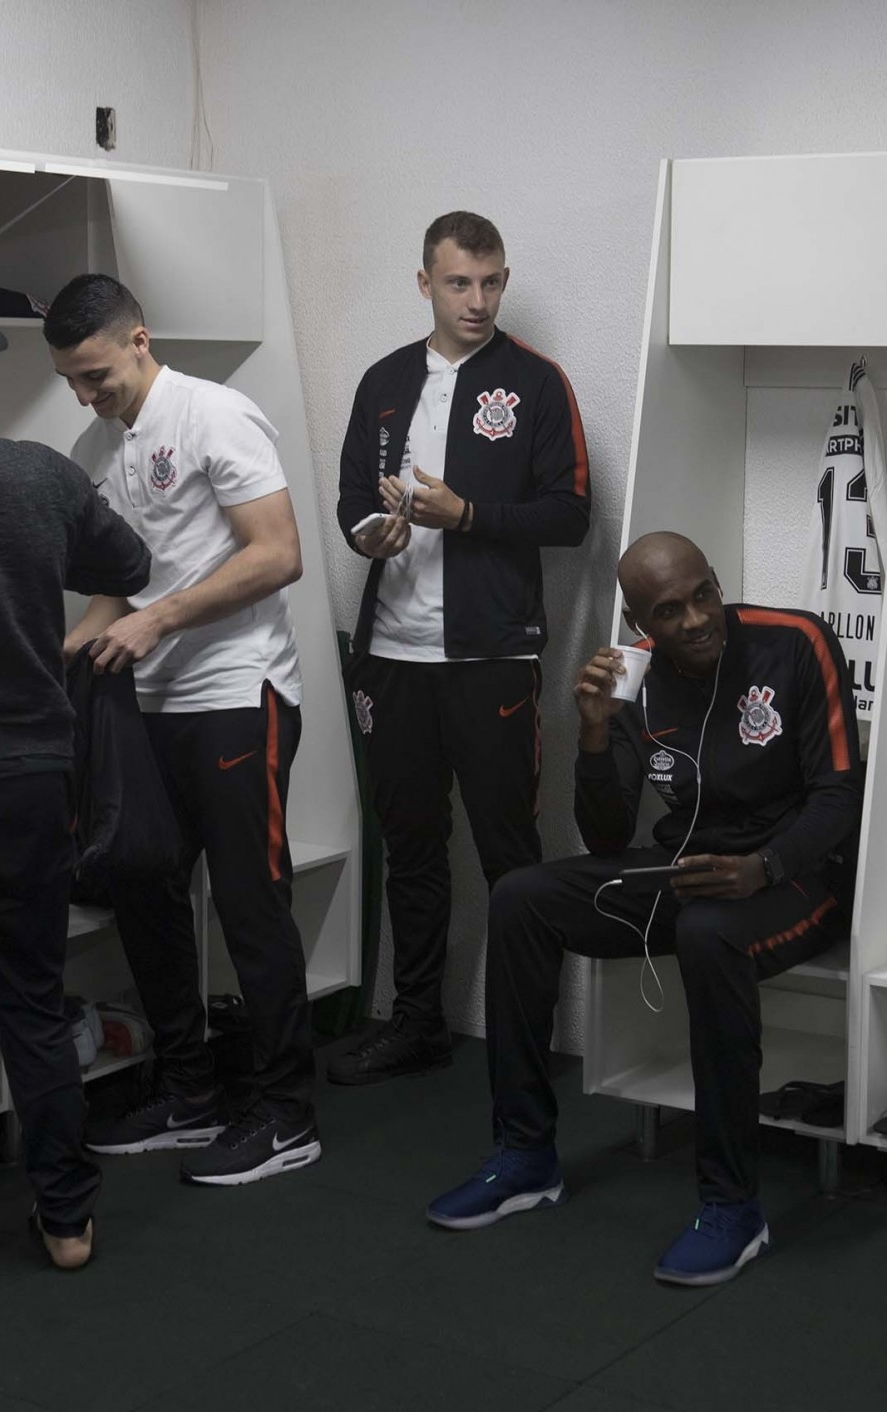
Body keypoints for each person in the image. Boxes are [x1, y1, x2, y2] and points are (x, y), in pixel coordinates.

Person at [427, 531, 863, 1287]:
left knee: (706, 931)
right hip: (690, 868)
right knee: (522, 897)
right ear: (638, 621)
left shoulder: (794, 642)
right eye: (668, 610)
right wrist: (594, 730)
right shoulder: (632, 676)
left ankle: (732, 1206)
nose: (694, 619)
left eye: (703, 594)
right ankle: (524, 1156)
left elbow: (839, 794)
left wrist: (761, 866)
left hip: (799, 877)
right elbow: (604, 835)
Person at [43, 274, 319, 1187]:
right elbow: (121, 587)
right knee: (148, 896)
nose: (86, 395)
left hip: (236, 693)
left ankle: (285, 1116)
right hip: (146, 709)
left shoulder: (214, 416)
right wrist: (53, 658)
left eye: (95, 375)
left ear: (139, 341)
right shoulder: (96, 444)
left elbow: (277, 552)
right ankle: (191, 1094)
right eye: (72, 381)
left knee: (248, 905)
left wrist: (158, 621)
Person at [333, 211, 590, 1085]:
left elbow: (570, 514)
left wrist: (468, 516)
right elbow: (347, 503)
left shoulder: (536, 382)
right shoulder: (383, 380)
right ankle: (415, 1024)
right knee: (410, 843)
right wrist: (373, 534)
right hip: (392, 655)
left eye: (489, 283)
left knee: (509, 853)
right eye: (457, 283)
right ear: (424, 284)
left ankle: (528, 1038)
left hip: (490, 660)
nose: (475, 301)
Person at [0, 277, 152, 1276]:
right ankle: (67, 1220)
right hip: (31, 776)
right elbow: (134, 563)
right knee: (31, 1000)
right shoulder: (37, 475)